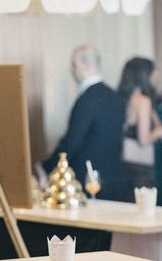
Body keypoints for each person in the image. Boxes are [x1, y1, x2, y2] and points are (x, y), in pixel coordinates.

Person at [42, 44, 125, 201]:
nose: (72, 70)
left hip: (88, 180)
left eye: (74, 65)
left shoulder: (86, 100)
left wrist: (47, 167)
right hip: (115, 177)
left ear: (86, 64)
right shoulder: (115, 97)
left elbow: (71, 142)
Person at [117, 56, 162, 196]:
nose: (156, 75)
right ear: (144, 75)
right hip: (140, 168)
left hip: (123, 164)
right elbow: (144, 139)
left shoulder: (122, 98)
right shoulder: (142, 101)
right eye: (153, 72)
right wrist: (159, 133)